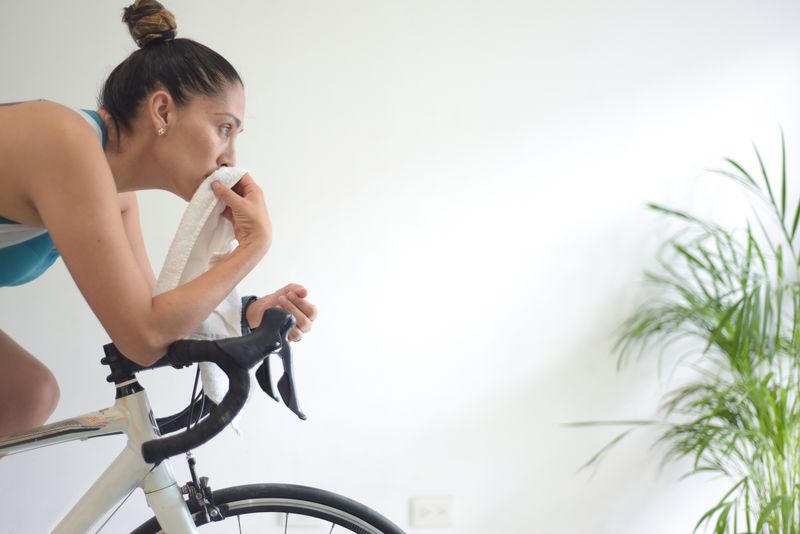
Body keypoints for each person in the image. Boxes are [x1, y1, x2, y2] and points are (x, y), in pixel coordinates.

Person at [0, 0, 317, 437]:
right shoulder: (64, 142)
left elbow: (158, 324)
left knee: (27, 392)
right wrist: (254, 246)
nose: (231, 158)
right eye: (225, 128)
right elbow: (143, 336)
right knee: (26, 390)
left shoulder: (116, 195)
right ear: (163, 111)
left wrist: (246, 316)